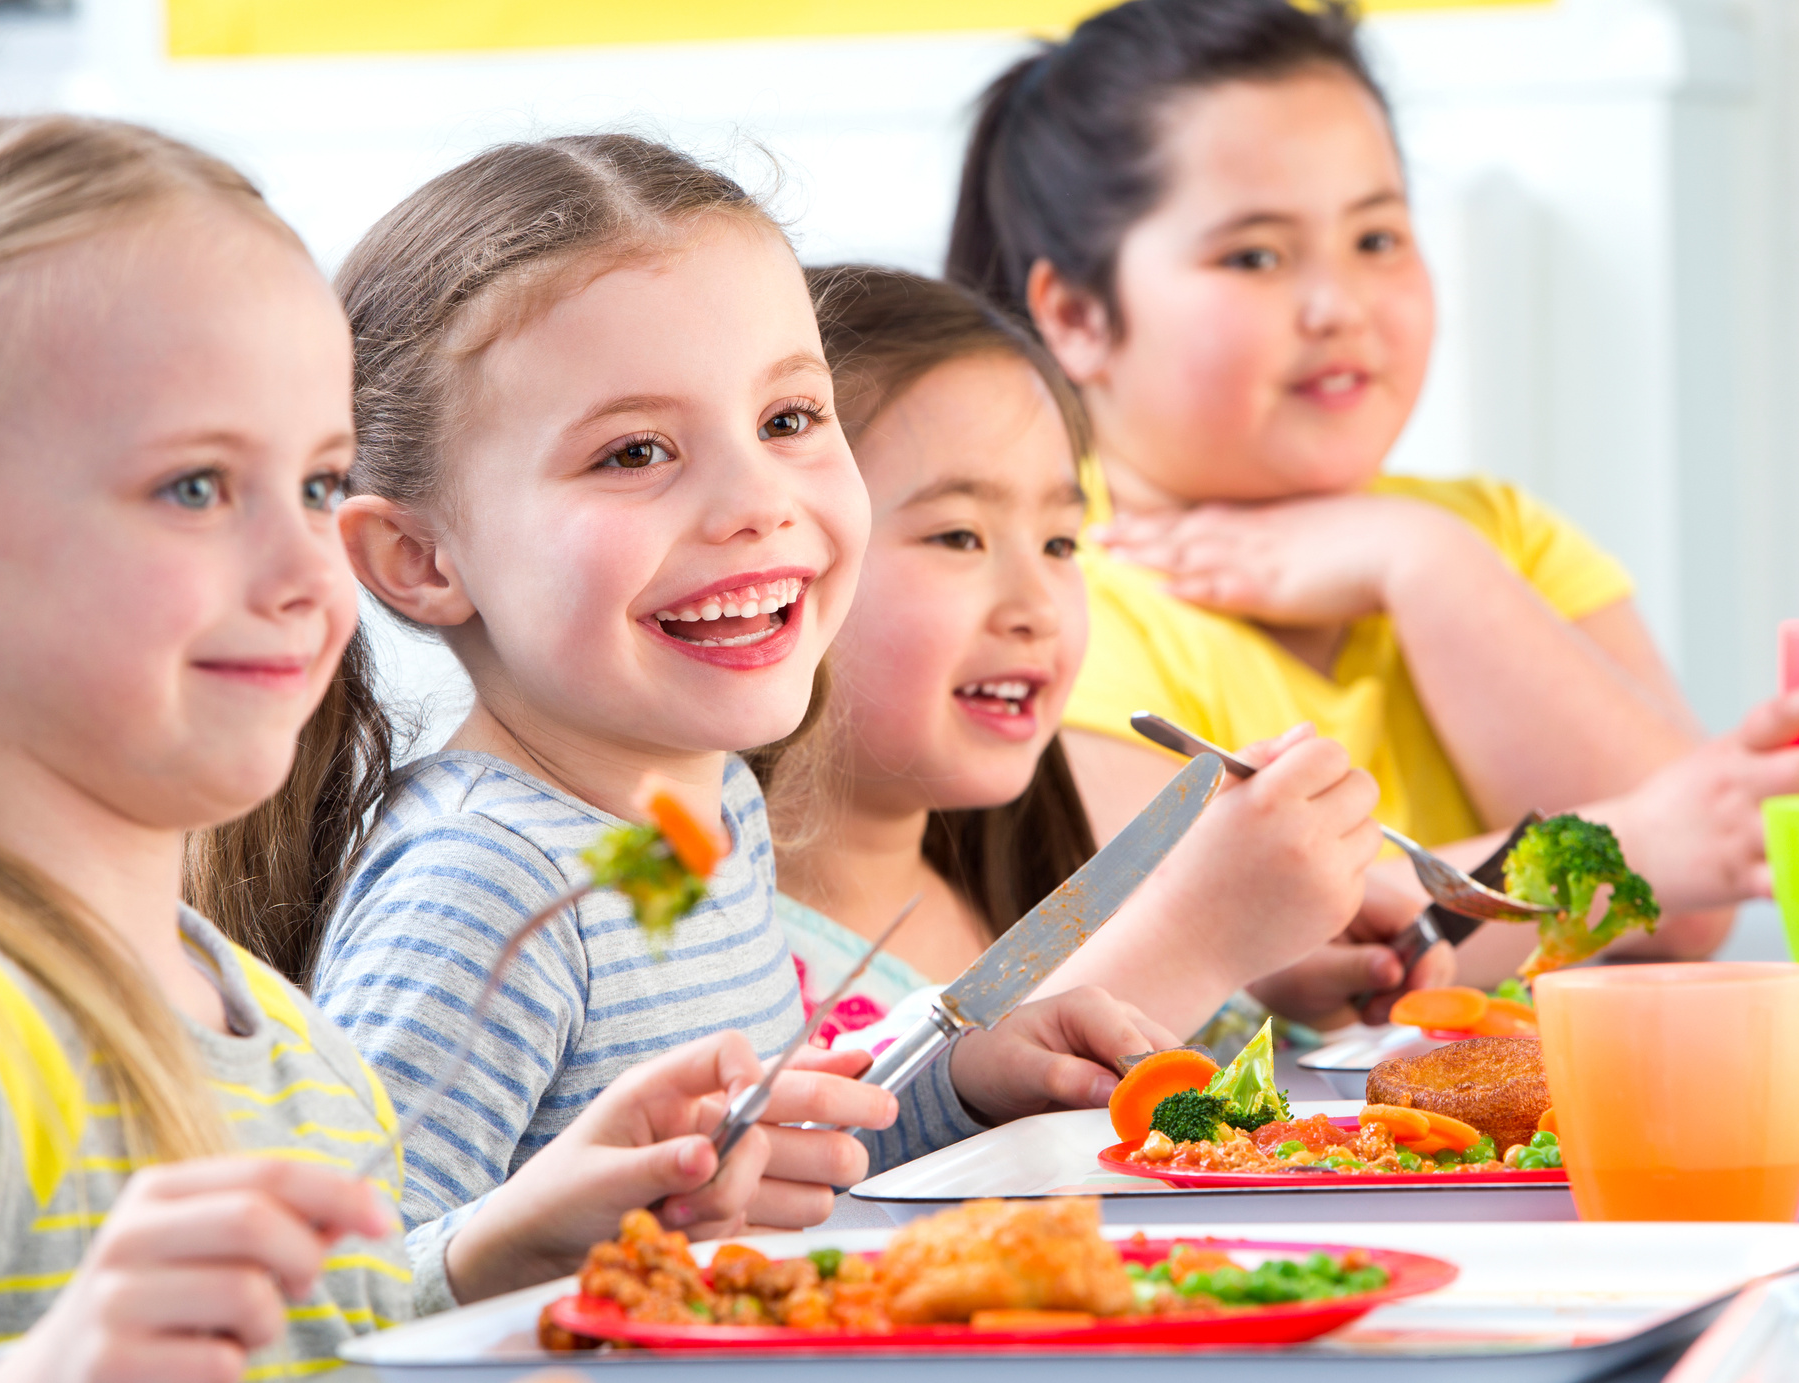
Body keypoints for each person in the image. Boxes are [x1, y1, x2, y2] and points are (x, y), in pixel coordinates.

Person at [0, 114, 873, 1380]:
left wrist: (497, 1253)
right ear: (416, 557)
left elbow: (344, 1342)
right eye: (194, 487)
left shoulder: (294, 1061)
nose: (302, 567)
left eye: (312, 484)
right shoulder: (6, 1037)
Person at [282, 136, 1175, 1245]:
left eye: (788, 420)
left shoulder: (707, 816)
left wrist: (956, 1087)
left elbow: (760, 1178)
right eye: (635, 452)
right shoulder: (480, 886)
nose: (758, 502)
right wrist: (520, 1243)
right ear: (418, 559)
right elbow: (325, 1297)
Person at [946, 0, 1799, 995]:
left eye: (1377, 238)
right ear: (1077, 314)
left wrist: (1424, 563)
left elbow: (1693, 900)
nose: (1341, 306)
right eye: (1255, 256)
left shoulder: (1495, 535)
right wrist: (1630, 847)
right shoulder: (1051, 606)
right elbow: (1235, 959)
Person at [758, 266, 1448, 1053]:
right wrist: (1201, 932)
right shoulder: (710, 959)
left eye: (1059, 544)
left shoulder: (1036, 906)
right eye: (959, 536)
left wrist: (1264, 981)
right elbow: (898, 1116)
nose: (1039, 606)